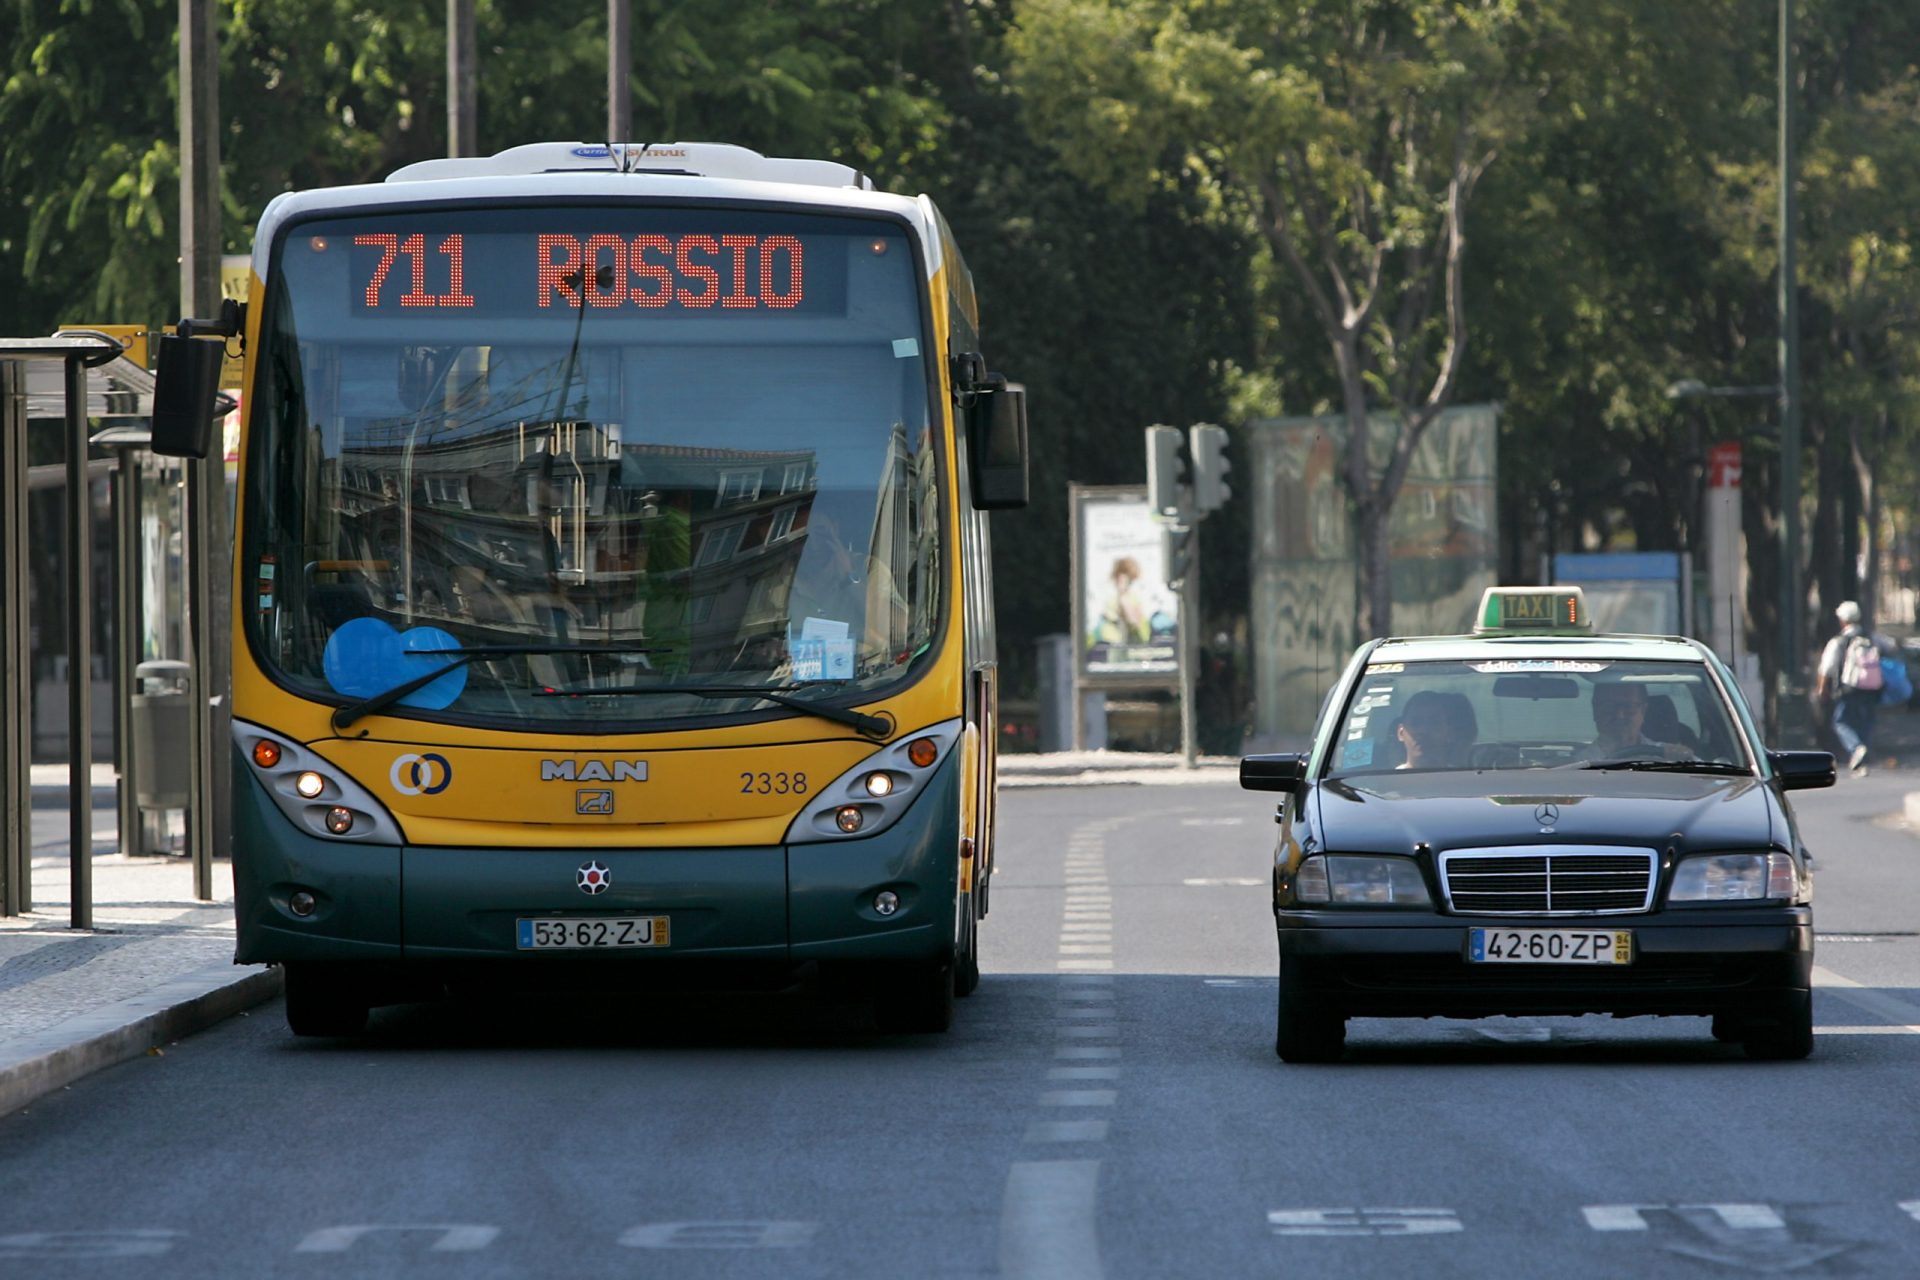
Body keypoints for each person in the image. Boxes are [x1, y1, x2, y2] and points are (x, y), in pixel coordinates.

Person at [1815, 600, 1892, 776]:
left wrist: (1821, 688)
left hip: (1849, 688)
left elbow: (1826, 667)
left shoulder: (1839, 641)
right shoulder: (1871, 637)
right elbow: (1891, 647)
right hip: (1872, 688)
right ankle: (1861, 760)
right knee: (1866, 722)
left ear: (1842, 620)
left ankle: (1856, 748)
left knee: (1840, 721)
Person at [1583, 681, 1688, 761]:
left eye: (1629, 707)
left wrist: (1682, 760)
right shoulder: (1577, 766)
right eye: (1609, 707)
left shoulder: (1670, 756)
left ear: (1643, 711)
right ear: (1596, 711)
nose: (1620, 715)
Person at [1395, 690, 1474, 769]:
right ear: (1401, 733)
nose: (1424, 731)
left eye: (1434, 723)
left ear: (1450, 733)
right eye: (1415, 723)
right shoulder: (1389, 780)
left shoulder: (1464, 778)